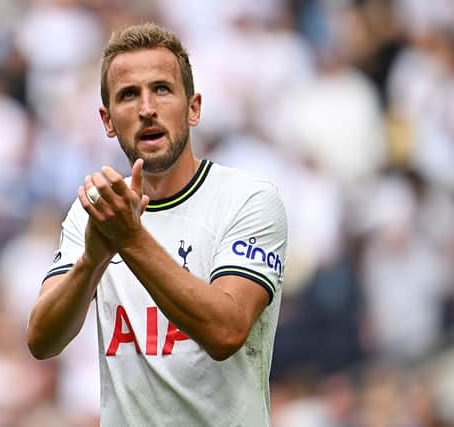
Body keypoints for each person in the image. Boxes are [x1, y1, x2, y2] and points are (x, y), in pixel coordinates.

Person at [26, 23, 287, 426]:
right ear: (108, 120)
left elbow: (226, 332)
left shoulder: (247, 199)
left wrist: (128, 239)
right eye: (128, 95)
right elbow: (42, 341)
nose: (146, 107)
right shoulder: (94, 212)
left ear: (194, 107)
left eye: (162, 89)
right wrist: (91, 262)